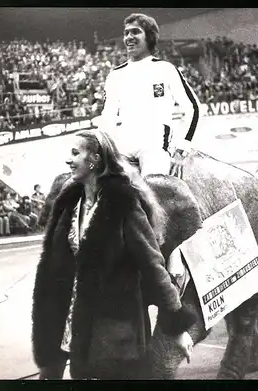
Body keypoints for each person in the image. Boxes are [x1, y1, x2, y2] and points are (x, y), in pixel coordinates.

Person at [32, 129, 196, 380]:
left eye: (75, 153)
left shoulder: (124, 204)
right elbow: (54, 268)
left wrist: (177, 326)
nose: (68, 159)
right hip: (75, 329)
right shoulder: (68, 203)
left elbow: (152, 264)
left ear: (95, 159)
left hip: (116, 334)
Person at [100, 13, 201, 176]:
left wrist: (183, 147)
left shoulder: (165, 69)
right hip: (122, 146)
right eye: (126, 33)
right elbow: (107, 117)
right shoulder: (115, 75)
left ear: (149, 36)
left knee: (153, 191)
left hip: (155, 145)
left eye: (135, 32)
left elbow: (193, 108)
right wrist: (104, 149)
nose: (129, 37)